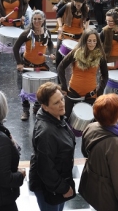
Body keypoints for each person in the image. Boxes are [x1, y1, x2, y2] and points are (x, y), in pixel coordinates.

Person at [79, 94, 118, 211]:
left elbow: (85, 152)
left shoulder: (91, 127)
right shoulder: (117, 145)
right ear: (115, 115)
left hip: (93, 187)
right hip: (109, 198)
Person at [29, 82, 75, 211]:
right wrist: (63, 188)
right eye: (56, 102)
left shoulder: (56, 117)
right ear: (45, 107)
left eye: (62, 98)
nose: (62, 104)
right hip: (49, 187)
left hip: (57, 181)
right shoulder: (46, 133)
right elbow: (45, 168)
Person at [57, 29, 108, 130]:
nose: (92, 43)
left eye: (94, 41)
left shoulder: (100, 55)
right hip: (73, 92)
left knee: (93, 125)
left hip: (91, 94)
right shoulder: (76, 52)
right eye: (89, 41)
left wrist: (100, 91)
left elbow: (105, 75)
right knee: (64, 120)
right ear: (85, 41)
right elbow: (60, 67)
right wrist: (63, 86)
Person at [13, 10, 55, 120]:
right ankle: (25, 110)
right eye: (34, 19)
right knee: (25, 89)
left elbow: (50, 44)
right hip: (27, 66)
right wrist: (19, 63)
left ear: (43, 20)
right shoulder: (26, 33)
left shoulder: (47, 33)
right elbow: (15, 48)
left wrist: (51, 53)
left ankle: (36, 106)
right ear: (32, 20)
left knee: (41, 89)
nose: (36, 21)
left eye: (39, 19)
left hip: (41, 66)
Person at [55, 0, 89, 68]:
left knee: (75, 58)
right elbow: (58, 15)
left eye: (79, 5)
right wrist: (60, 26)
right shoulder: (68, 6)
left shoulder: (85, 8)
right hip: (65, 34)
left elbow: (88, 19)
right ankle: (59, 74)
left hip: (78, 37)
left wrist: (86, 28)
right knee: (58, 57)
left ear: (83, 3)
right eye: (75, 4)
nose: (77, 6)